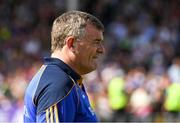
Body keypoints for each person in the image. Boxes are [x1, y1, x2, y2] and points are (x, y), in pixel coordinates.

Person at [23, 10, 105, 122]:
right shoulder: (59, 84)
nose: (101, 50)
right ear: (71, 44)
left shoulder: (60, 78)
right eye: (96, 42)